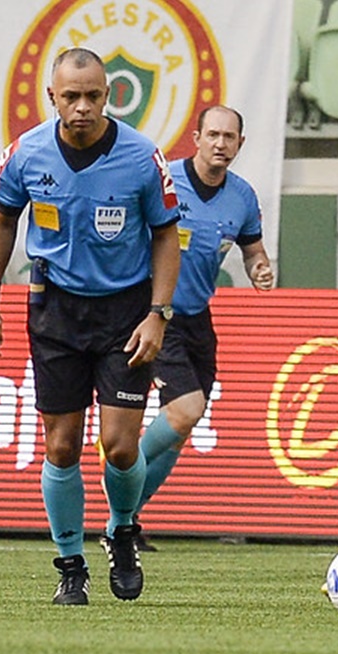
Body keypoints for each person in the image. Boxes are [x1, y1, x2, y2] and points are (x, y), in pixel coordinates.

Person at [0, 48, 181, 605]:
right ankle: (70, 564)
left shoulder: (141, 157)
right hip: (56, 310)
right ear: (53, 98)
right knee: (61, 446)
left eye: (93, 96)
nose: (83, 107)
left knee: (118, 447)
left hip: (125, 312)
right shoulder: (25, 153)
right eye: (71, 96)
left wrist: (158, 314)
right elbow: (2, 219)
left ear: (108, 96)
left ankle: (121, 529)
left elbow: (166, 236)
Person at [132, 105, 274, 549]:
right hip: (156, 312)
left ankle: (126, 522)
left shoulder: (243, 197)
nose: (220, 144)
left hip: (197, 319)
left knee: (179, 431)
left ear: (239, 144)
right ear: (196, 137)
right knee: (185, 409)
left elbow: (253, 250)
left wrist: (260, 268)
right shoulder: (165, 181)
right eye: (213, 134)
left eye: (229, 137)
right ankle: (121, 470)